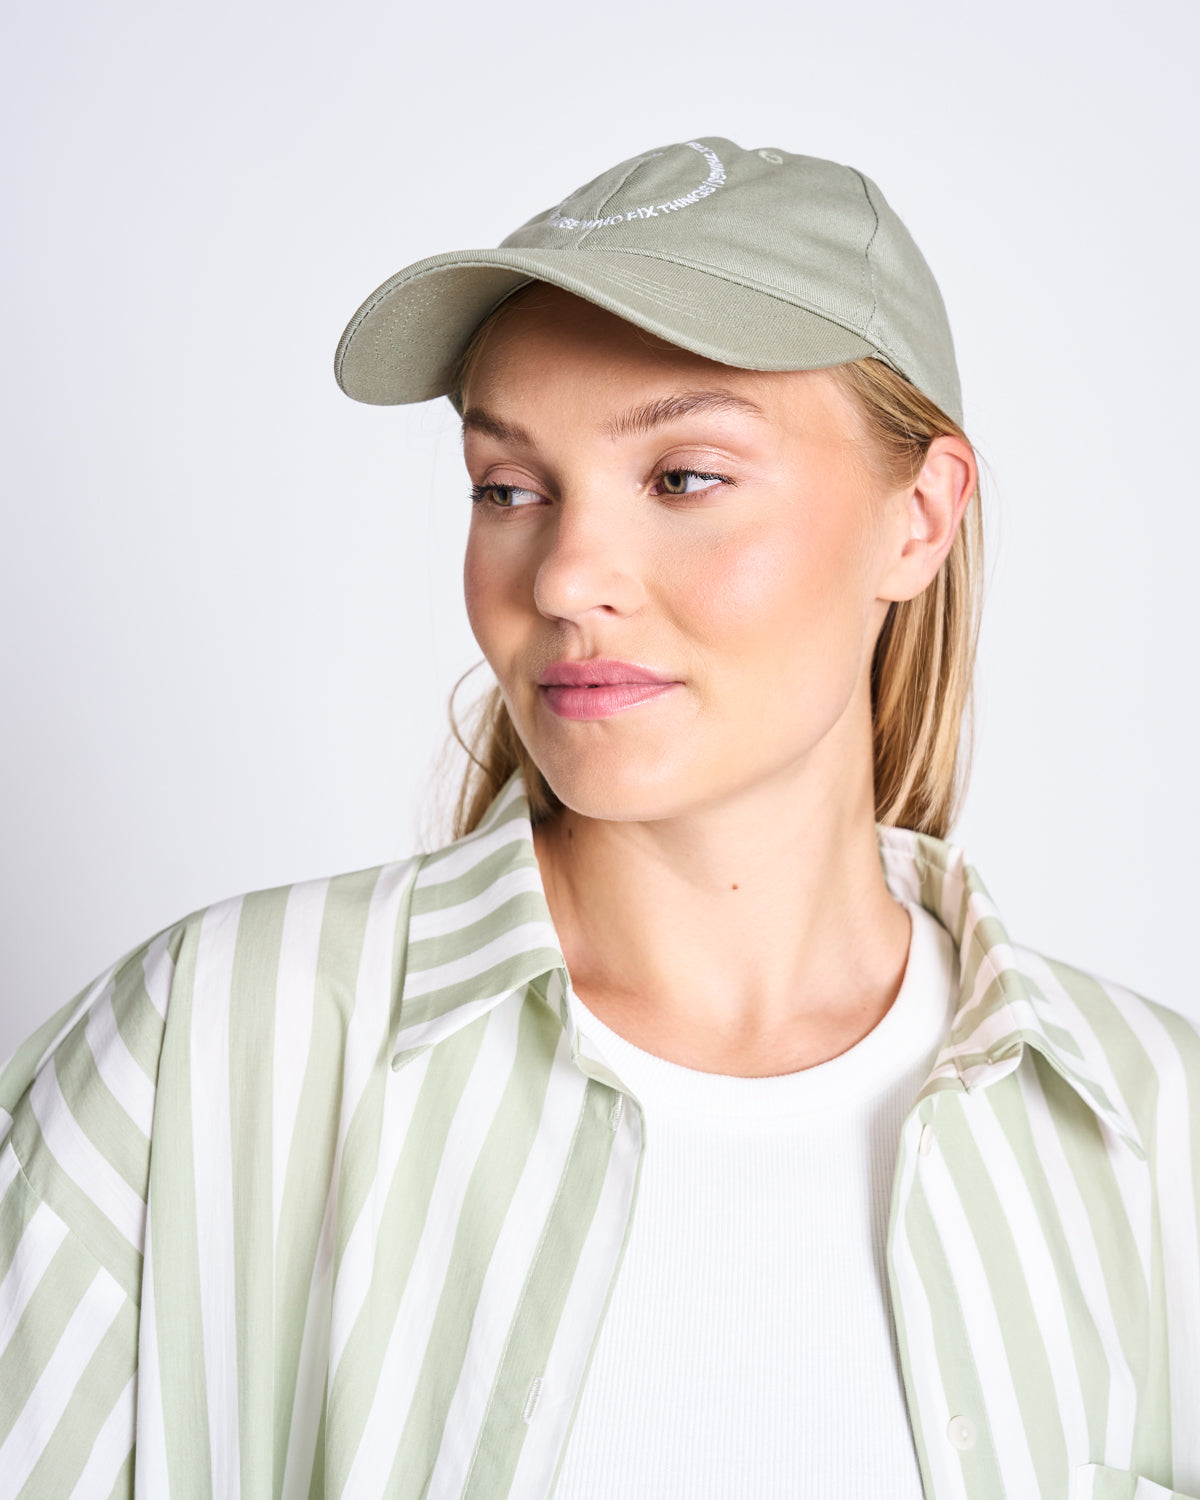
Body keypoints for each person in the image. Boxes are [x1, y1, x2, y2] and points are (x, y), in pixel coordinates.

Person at [0, 137, 1196, 1500]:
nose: (566, 574)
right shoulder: (207, 1054)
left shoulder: (1158, 1134)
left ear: (918, 517)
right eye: (509, 487)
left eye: (685, 478)